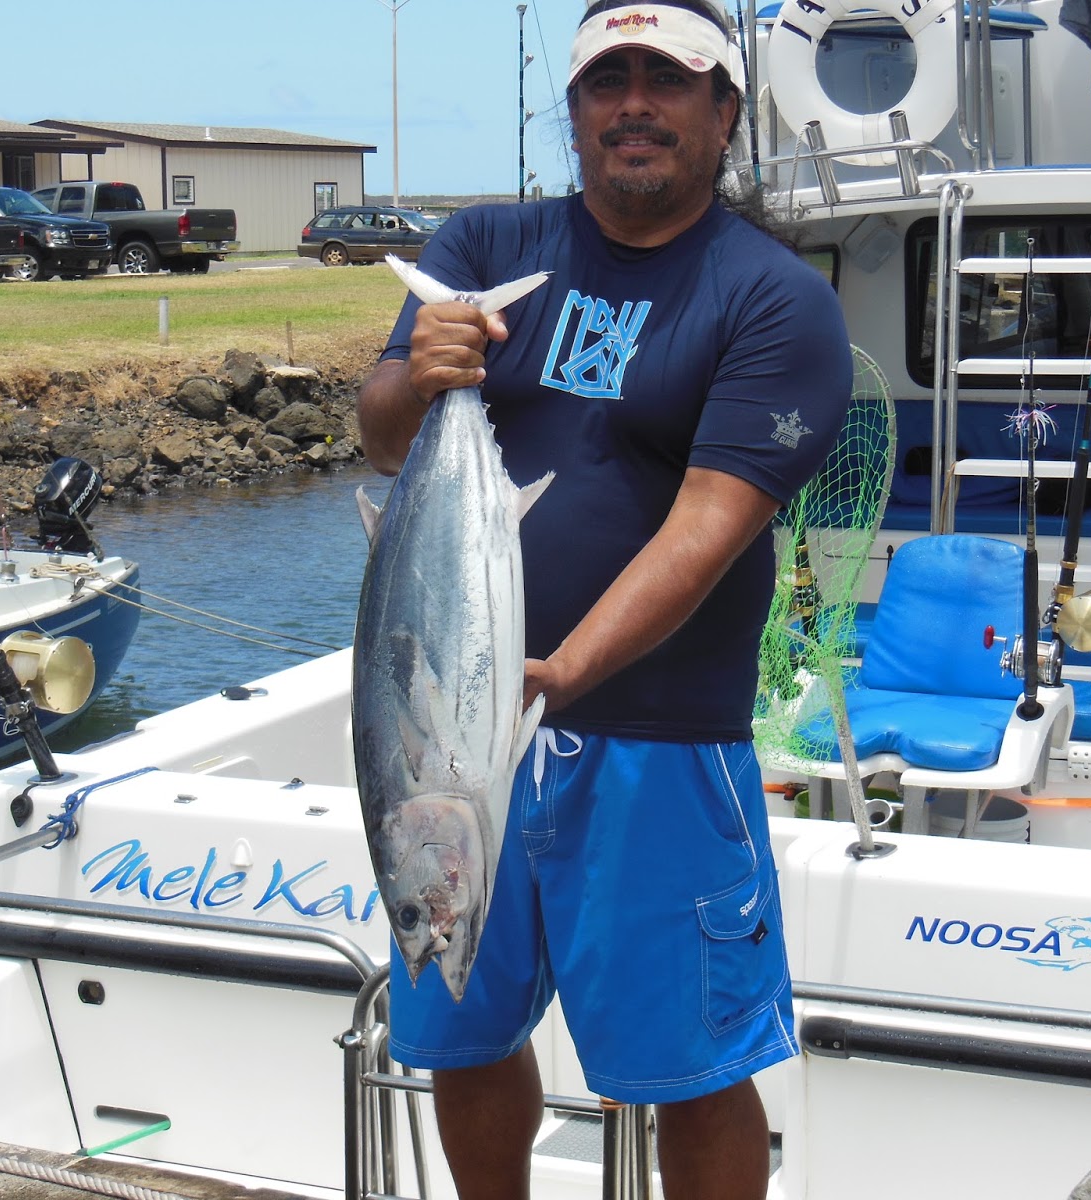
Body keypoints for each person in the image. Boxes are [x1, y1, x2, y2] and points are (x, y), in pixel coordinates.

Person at [356, 2, 852, 1196]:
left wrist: (559, 676)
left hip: (657, 742)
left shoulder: (773, 300)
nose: (634, 104)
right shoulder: (478, 244)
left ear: (723, 112)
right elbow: (380, 443)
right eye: (605, 82)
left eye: (666, 82)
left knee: (690, 1068)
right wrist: (417, 378)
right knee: (461, 1033)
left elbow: (707, 530)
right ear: (574, 113)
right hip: (446, 728)